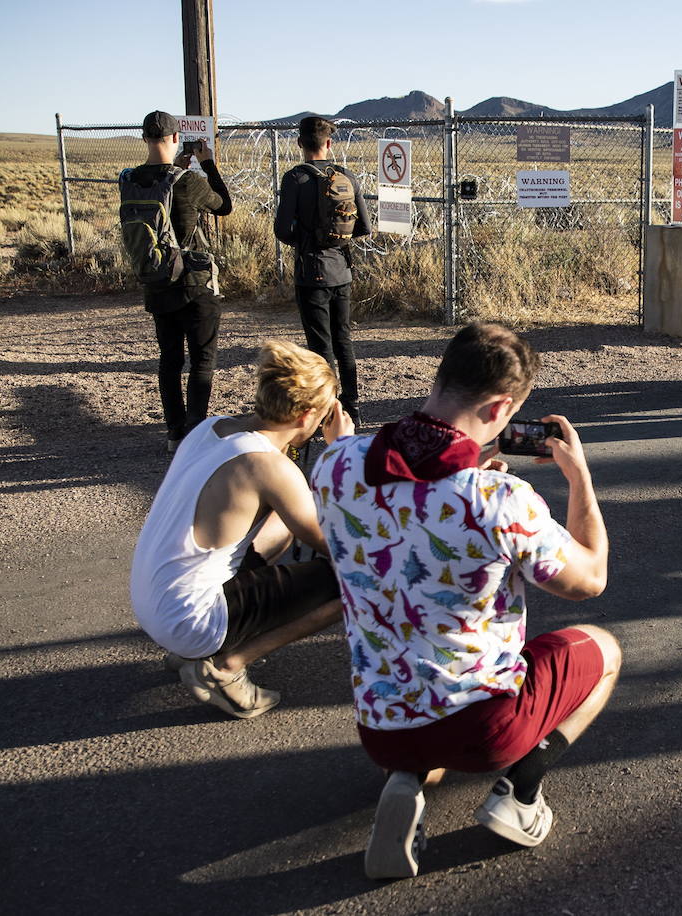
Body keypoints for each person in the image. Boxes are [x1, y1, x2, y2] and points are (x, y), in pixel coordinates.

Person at [311, 322, 621, 879]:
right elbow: (590, 578)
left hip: (382, 726)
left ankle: (403, 778)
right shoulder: (500, 500)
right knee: (603, 650)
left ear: (440, 376)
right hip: (483, 731)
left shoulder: (335, 466)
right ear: (503, 407)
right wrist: (580, 480)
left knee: (409, 659)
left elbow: (407, 506)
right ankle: (519, 795)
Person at [130, 341, 356, 719]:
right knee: (354, 581)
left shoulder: (212, 428)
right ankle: (226, 668)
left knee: (287, 518)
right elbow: (340, 547)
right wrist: (341, 450)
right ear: (306, 416)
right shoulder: (269, 468)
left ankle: (191, 650)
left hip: (156, 603)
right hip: (192, 619)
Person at [126, 110, 233, 453]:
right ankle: (196, 432)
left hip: (156, 279)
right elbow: (224, 206)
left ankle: (175, 433)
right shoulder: (188, 182)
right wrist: (207, 164)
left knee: (169, 359)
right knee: (202, 358)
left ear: (144, 138)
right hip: (195, 281)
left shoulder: (129, 180)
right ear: (175, 139)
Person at [274, 116, 372, 425]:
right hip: (341, 270)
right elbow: (364, 226)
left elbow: (281, 230)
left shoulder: (295, 179)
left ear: (300, 143)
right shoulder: (347, 176)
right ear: (329, 144)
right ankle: (352, 409)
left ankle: (329, 412)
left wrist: (306, 240)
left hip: (310, 272)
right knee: (343, 339)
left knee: (320, 347)